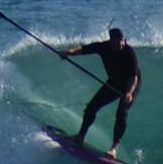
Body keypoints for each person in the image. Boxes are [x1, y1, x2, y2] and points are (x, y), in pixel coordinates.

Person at [60, 28, 140, 157]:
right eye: (117, 41)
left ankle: (113, 148)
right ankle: (80, 136)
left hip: (130, 85)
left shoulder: (129, 52)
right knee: (91, 107)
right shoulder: (103, 47)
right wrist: (68, 53)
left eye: (122, 40)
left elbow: (134, 77)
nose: (121, 44)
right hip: (114, 82)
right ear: (111, 41)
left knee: (121, 112)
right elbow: (83, 49)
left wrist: (129, 93)